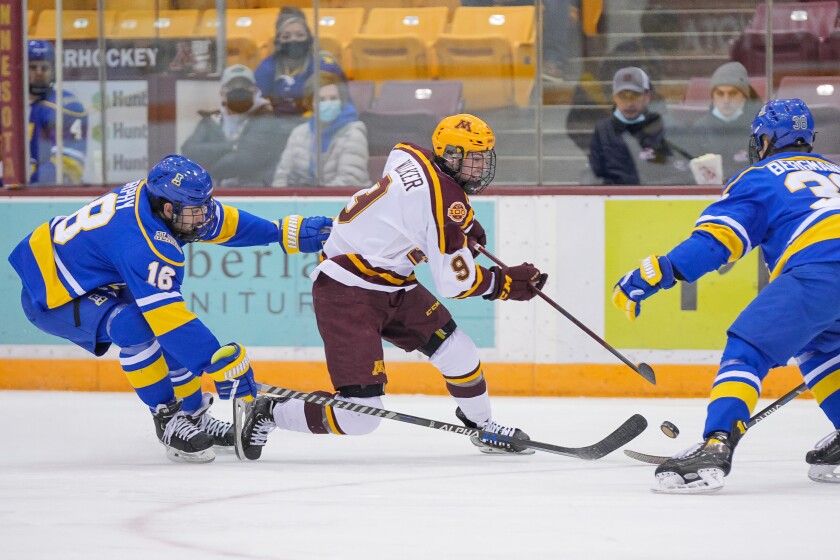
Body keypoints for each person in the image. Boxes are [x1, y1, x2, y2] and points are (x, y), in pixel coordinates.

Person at [240, 114, 548, 460]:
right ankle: (271, 411)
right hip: (347, 291)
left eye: (483, 158)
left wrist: (464, 222)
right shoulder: (442, 204)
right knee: (358, 416)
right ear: (449, 155)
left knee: (459, 351)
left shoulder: (414, 156)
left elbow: (408, 175)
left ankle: (484, 427)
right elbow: (455, 282)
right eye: (473, 158)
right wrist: (505, 284)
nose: (481, 167)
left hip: (391, 282)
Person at [7, 155, 331, 464]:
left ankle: (194, 416)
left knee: (164, 331)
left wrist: (278, 231)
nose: (204, 216)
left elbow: (221, 221)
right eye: (196, 211)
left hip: (96, 273)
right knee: (137, 326)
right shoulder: (143, 243)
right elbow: (169, 321)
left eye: (205, 205)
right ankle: (168, 419)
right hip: (54, 294)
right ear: (166, 209)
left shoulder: (168, 204)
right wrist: (215, 362)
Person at [611, 98, 840, 493]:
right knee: (821, 348)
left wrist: (654, 273)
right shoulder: (836, 171)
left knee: (747, 347)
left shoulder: (760, 176)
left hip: (821, 271)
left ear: (766, 139)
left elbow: (716, 243)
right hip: (824, 278)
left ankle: (716, 444)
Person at [181, 64, 283, 187]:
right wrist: (231, 146)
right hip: (214, 193)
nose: (239, 89)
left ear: (255, 91)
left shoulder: (267, 120)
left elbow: (248, 160)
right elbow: (189, 151)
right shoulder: (211, 121)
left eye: (245, 86)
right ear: (222, 92)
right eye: (232, 86)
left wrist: (210, 168)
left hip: (254, 191)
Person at [585, 67, 685, 185]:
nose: (629, 103)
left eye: (635, 95)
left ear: (647, 96)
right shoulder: (603, 130)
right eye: (623, 96)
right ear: (614, 98)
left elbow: (679, 173)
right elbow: (594, 174)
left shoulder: (663, 126)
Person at [272, 72, 369, 187]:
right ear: (310, 103)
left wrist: (310, 199)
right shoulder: (299, 133)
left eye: (333, 98)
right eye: (321, 100)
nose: (328, 103)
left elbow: (350, 181)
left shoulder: (353, 133)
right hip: (300, 201)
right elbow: (281, 176)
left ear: (341, 101)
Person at [254, 7, 345, 121]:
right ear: (278, 41)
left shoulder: (324, 66)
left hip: (315, 127)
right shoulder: (268, 65)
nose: (293, 40)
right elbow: (254, 100)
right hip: (275, 129)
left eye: (300, 35)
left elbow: (343, 106)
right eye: (286, 36)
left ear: (309, 38)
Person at [680, 62, 763, 181]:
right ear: (712, 96)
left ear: (745, 96)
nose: (726, 100)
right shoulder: (697, 129)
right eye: (720, 93)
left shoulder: (760, 129)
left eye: (733, 93)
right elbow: (684, 174)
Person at [28, 40, 88, 185]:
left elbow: (67, 167)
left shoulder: (67, 106)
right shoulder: (9, 109)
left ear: (53, 70)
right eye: (32, 67)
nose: (39, 73)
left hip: (44, 197)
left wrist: (28, 188)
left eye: (44, 67)